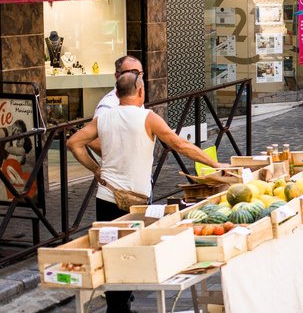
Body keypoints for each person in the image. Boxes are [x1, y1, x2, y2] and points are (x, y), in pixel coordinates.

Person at [66, 72, 223, 313]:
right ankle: (120, 308)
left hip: (106, 195)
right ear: (141, 92)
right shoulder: (148, 117)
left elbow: (74, 142)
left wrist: (96, 169)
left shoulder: (104, 118)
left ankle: (118, 308)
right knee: (132, 254)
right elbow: (178, 144)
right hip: (136, 202)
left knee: (111, 253)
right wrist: (216, 165)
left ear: (117, 94)